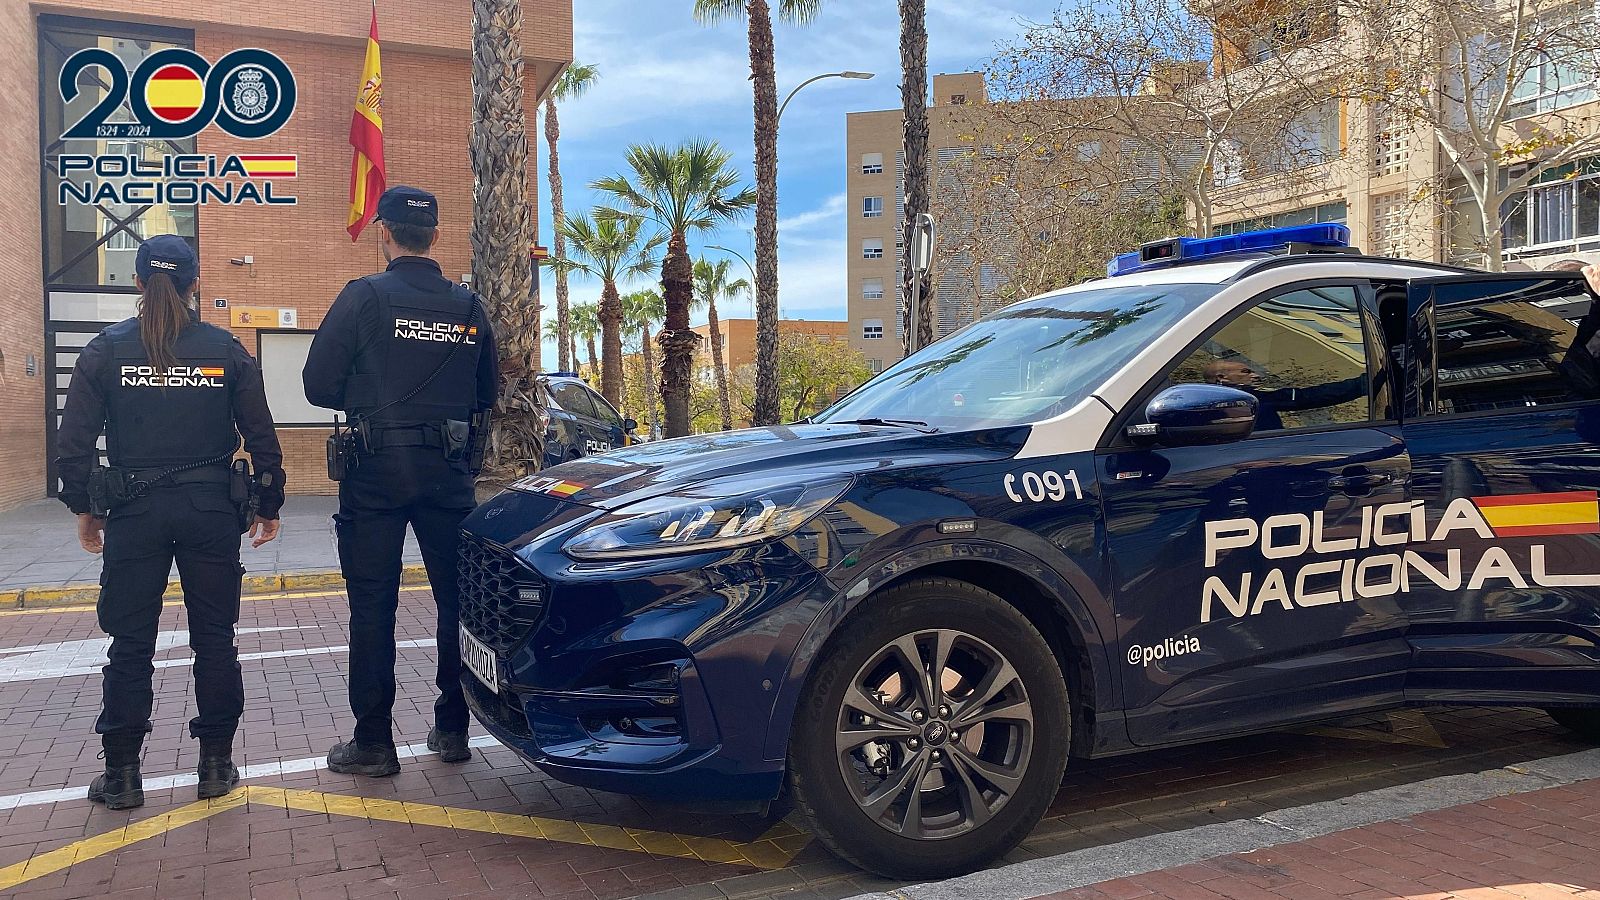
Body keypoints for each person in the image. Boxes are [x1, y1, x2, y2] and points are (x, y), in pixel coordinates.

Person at [56, 235, 285, 810]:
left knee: (130, 644)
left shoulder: (105, 351)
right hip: (210, 511)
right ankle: (214, 765)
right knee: (215, 640)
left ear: (136, 283)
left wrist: (83, 506)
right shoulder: (226, 350)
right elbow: (262, 435)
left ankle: (124, 774)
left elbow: (74, 442)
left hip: (134, 511)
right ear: (196, 284)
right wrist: (269, 503)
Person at [303, 186, 499, 776]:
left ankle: (373, 742)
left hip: (375, 473)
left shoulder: (363, 297)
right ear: (435, 237)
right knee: (456, 602)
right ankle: (453, 726)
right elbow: (485, 394)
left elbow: (318, 384)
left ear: (384, 233)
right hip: (447, 471)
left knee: (372, 606)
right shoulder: (468, 307)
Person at [1202, 358, 1367, 431]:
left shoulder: (1201, 404)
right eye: (1246, 371)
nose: (1256, 376)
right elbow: (1312, 397)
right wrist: (1364, 384)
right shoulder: (1251, 400)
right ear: (1222, 378)